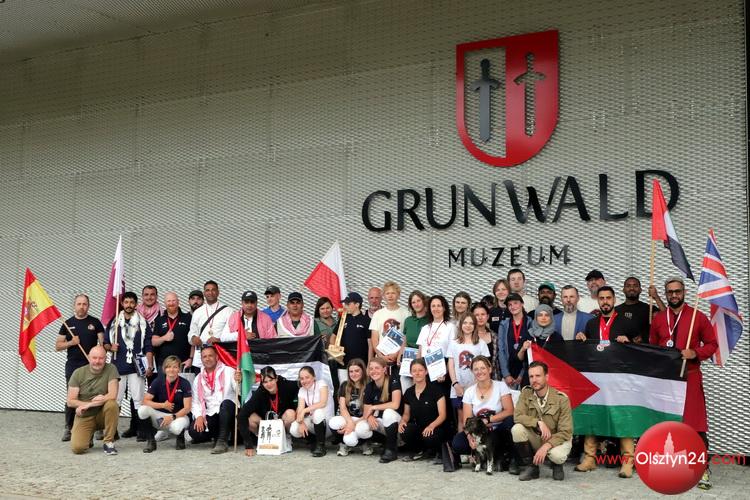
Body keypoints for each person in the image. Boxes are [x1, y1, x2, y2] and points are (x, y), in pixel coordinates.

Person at [650, 277, 717, 490]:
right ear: (666, 294)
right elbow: (652, 347)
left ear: (684, 292)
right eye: (670, 292)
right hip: (666, 380)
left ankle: (702, 469)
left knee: (695, 424)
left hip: (690, 377)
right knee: (666, 423)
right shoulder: (659, 319)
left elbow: (712, 344)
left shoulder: (698, 316)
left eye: (677, 291)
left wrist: (695, 352)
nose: (674, 295)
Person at [575, 285, 637, 478]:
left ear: (614, 299)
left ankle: (628, 461)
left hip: (620, 380)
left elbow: (641, 348)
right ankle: (590, 458)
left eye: (608, 298)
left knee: (622, 418)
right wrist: (582, 338)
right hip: (597, 379)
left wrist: (629, 343)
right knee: (592, 416)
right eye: (601, 298)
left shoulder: (626, 322)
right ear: (598, 300)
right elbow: (588, 351)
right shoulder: (592, 324)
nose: (605, 302)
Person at [55, 294, 105, 441]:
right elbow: (58, 346)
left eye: (84, 304)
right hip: (73, 366)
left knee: (96, 394)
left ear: (88, 306)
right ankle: (69, 428)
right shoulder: (67, 324)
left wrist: (98, 355)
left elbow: (103, 344)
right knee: (72, 396)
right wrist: (71, 342)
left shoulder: (95, 322)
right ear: (74, 306)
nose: (82, 307)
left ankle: (98, 427)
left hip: (92, 365)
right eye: (79, 304)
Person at [103, 291, 153, 440]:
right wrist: (110, 347)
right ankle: (112, 431)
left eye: (132, 302)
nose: (129, 305)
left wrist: (149, 365)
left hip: (136, 367)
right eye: (126, 302)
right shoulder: (114, 322)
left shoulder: (142, 322)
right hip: (117, 366)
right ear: (122, 304)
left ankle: (142, 431)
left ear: (136, 304)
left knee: (138, 399)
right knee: (115, 400)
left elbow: (148, 345)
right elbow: (105, 343)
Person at [451, 356, 515, 470]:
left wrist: (489, 420)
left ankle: (504, 456)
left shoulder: (501, 386)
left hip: (497, 430)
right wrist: (469, 437)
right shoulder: (469, 392)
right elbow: (466, 421)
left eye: (483, 368)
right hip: (479, 433)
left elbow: (510, 411)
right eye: (476, 369)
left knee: (510, 422)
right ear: (472, 372)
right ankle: (482, 456)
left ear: (490, 369)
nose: (479, 372)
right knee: (457, 443)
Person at [512, 361, 572, 481]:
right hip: (537, 437)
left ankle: (557, 465)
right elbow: (517, 416)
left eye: (538, 376)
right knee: (517, 429)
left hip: (556, 439)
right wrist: (538, 422)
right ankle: (532, 467)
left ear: (547, 377)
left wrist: (546, 446)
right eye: (531, 376)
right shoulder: (526, 393)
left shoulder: (561, 399)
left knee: (557, 455)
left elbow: (565, 432)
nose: (534, 380)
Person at [67, 346, 120, 455]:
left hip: (102, 414)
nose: (97, 361)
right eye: (94, 358)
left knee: (112, 405)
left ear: (106, 358)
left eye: (101, 358)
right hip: (85, 415)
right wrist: (88, 405)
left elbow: (112, 395)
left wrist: (89, 405)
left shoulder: (111, 369)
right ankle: (88, 435)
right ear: (88, 357)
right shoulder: (78, 373)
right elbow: (70, 401)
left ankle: (108, 442)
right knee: (78, 449)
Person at [237, 366, 299, 458]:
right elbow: (242, 415)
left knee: (291, 414)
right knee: (249, 418)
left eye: (271, 380)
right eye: (265, 382)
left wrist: (302, 411)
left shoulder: (286, 385)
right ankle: (262, 438)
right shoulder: (260, 392)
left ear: (276, 378)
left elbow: (302, 384)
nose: (269, 384)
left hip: (283, 422)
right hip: (266, 425)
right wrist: (248, 445)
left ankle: (286, 437)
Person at [137, 356, 192, 452]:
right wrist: (163, 405)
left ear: (179, 369)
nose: (172, 370)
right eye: (169, 367)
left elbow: (187, 408)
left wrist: (172, 417)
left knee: (176, 428)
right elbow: (145, 401)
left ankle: (180, 436)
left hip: (179, 416)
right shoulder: (158, 381)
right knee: (142, 410)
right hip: (161, 416)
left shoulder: (185, 383)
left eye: (175, 367)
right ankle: (151, 441)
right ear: (164, 369)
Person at [189, 344, 237, 454]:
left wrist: (239, 380)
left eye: (210, 355)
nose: (207, 359)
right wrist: (199, 416)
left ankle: (222, 441)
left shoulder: (228, 371)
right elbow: (195, 401)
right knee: (194, 431)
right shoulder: (198, 378)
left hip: (230, 412)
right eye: (204, 356)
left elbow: (239, 390)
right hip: (212, 412)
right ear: (201, 360)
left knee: (225, 404)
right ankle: (217, 436)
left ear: (216, 357)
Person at [447, 313, 490, 431]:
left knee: (476, 418)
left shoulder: (480, 343)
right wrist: (455, 384)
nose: (468, 325)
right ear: (460, 325)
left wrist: (474, 385)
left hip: (476, 387)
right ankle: (461, 441)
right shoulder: (454, 343)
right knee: (462, 419)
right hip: (458, 388)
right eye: (465, 323)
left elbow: (485, 366)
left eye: (471, 323)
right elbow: (451, 365)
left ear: (475, 326)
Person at [399, 358, 447, 461]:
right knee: (405, 430)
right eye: (414, 371)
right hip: (419, 427)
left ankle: (435, 452)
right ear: (411, 373)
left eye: (420, 370)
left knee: (429, 436)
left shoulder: (436, 390)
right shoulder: (408, 392)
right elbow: (406, 414)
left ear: (426, 371)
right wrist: (403, 421)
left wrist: (431, 426)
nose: (417, 373)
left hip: (435, 427)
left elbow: (442, 415)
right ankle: (418, 451)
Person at [361, 357, 402, 463]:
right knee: (361, 428)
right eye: (371, 369)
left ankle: (391, 450)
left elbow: (395, 404)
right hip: (382, 421)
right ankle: (385, 443)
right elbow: (366, 412)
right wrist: (369, 417)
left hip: (398, 423)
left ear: (384, 369)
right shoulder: (369, 386)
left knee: (388, 413)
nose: (373, 371)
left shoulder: (393, 380)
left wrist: (374, 407)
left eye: (377, 368)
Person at [290, 366, 335, 457]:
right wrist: (301, 423)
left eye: (307, 377)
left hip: (327, 424)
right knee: (294, 428)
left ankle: (321, 446)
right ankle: (313, 442)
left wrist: (305, 410)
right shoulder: (302, 390)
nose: (304, 381)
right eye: (302, 378)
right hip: (313, 423)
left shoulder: (321, 384)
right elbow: (300, 410)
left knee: (318, 412)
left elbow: (322, 403)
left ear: (314, 377)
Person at [188, 280, 233, 370]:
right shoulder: (197, 312)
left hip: (221, 354)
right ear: (204, 293)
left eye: (213, 290)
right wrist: (193, 338)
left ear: (218, 292)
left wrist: (219, 340)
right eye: (207, 290)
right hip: (201, 356)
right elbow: (191, 332)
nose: (210, 292)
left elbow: (232, 334)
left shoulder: (228, 311)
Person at [329, 358, 369, 455]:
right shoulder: (345, 385)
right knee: (333, 422)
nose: (354, 374)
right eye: (351, 371)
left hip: (362, 419)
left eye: (357, 371)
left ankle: (364, 444)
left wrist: (354, 424)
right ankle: (343, 444)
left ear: (363, 371)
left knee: (362, 431)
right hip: (347, 417)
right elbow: (342, 408)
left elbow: (369, 412)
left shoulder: (369, 386)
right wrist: (350, 422)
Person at [330, 292, 371, 383]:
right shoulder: (343, 318)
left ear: (357, 304)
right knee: (344, 388)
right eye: (345, 304)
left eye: (348, 304)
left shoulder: (366, 320)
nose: (345, 306)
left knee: (361, 388)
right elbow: (333, 337)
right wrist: (336, 352)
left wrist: (369, 364)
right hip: (343, 364)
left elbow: (370, 344)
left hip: (361, 364)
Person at [517, 305, 563, 386]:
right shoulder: (529, 334)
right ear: (536, 317)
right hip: (530, 379)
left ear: (551, 317)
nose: (543, 318)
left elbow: (562, 362)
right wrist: (523, 349)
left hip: (551, 379)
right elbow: (519, 358)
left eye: (547, 315)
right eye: (540, 315)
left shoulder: (557, 337)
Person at [151, 292, 192, 377]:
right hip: (164, 365)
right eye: (169, 301)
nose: (171, 303)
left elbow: (193, 342)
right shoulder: (159, 320)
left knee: (182, 386)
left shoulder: (188, 318)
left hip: (183, 364)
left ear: (178, 302)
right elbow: (154, 342)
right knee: (163, 386)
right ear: (165, 303)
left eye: (173, 301)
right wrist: (164, 338)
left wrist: (191, 359)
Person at [370, 281, 410, 363]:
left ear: (398, 295)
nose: (390, 296)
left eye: (393, 293)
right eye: (387, 293)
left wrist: (397, 354)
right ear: (384, 296)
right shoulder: (377, 314)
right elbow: (374, 339)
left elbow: (407, 337)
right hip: (381, 359)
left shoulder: (406, 313)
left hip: (399, 358)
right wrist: (381, 356)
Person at [615, 276, 664, 343]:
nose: (632, 288)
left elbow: (667, 318)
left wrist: (656, 297)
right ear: (623, 290)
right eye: (628, 286)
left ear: (640, 290)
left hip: (643, 348)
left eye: (635, 286)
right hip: (621, 347)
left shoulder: (649, 309)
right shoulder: (616, 310)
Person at [498, 293, 531, 390]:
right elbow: (501, 350)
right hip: (508, 373)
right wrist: (506, 374)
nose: (513, 306)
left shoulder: (530, 323)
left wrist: (522, 375)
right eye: (510, 305)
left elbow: (531, 352)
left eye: (516, 303)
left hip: (525, 373)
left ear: (522, 304)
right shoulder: (503, 324)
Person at [471, 302, 496, 373]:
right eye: (476, 315)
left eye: (483, 314)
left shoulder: (494, 336)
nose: (480, 317)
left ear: (487, 316)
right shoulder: (468, 336)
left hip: (491, 375)